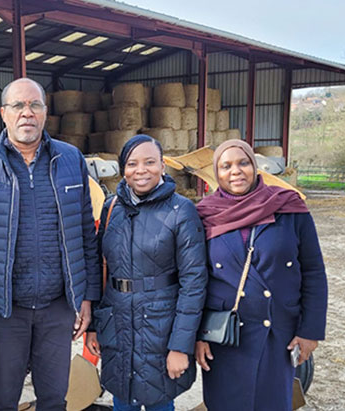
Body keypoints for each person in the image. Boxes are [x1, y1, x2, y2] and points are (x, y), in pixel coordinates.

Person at [0, 77, 100, 410]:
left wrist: (88, 296)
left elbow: (85, 234)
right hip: (3, 310)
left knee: (53, 398)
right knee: (3, 399)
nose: (27, 113)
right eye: (18, 105)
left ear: (45, 113)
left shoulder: (71, 160)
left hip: (57, 307)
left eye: (35, 105)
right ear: (4, 113)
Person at [194, 139, 328, 410]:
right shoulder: (204, 215)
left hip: (278, 333)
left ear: (255, 166)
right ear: (216, 173)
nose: (236, 171)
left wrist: (310, 330)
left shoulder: (290, 207)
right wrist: (196, 334)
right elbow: (194, 280)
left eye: (243, 162)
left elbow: (313, 271)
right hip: (225, 336)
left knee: (271, 403)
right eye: (226, 166)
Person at [84, 135, 208, 411]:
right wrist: (93, 326)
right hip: (118, 322)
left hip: (161, 328)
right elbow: (99, 268)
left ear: (163, 166)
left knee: (159, 401)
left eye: (150, 162)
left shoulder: (181, 211)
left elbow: (194, 282)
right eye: (132, 164)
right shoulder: (111, 208)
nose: (141, 170)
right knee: (122, 398)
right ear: (122, 169)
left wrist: (180, 346)